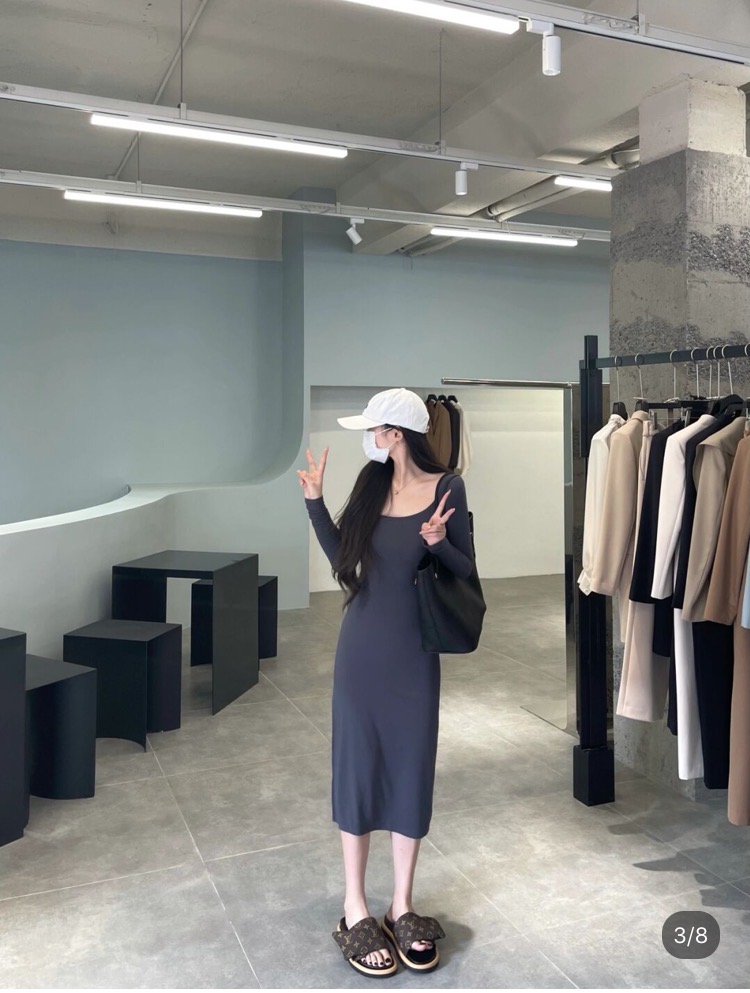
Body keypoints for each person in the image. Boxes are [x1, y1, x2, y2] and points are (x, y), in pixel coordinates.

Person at [297, 387, 474, 978]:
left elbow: (466, 569)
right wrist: (315, 502)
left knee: (409, 768)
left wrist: (438, 544)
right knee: (357, 769)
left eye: (374, 429)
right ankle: (355, 905)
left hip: (414, 655)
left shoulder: (448, 489)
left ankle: (401, 904)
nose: (369, 439)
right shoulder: (370, 486)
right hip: (360, 653)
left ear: (396, 434)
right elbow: (342, 559)